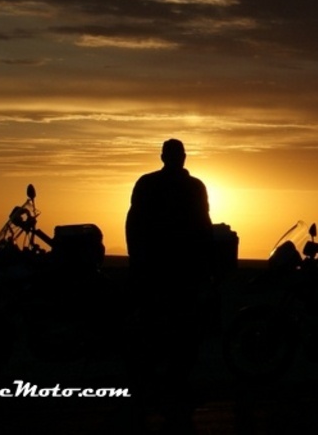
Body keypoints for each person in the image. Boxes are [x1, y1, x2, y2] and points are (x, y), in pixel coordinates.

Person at [124, 138, 213, 431]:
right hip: (171, 270)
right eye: (175, 154)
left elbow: (134, 223)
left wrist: (137, 259)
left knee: (163, 329)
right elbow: (203, 226)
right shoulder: (192, 187)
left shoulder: (150, 184)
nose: (177, 158)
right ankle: (165, 385)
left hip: (165, 269)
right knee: (176, 330)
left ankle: (157, 386)